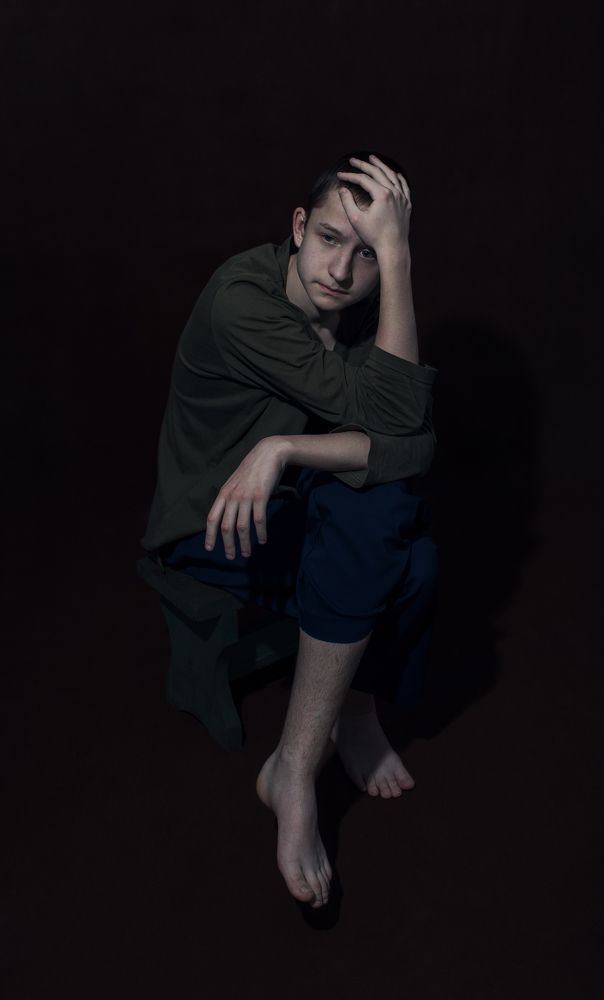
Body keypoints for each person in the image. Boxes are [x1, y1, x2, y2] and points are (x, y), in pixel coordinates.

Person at [141, 152, 439, 909]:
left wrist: (284, 447)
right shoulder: (244, 303)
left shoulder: (366, 306)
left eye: (369, 254)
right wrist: (319, 449)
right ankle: (304, 763)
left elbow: (412, 442)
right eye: (331, 238)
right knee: (401, 550)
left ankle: (324, 739)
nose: (341, 271)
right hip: (211, 521)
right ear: (299, 226)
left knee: (405, 541)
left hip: (287, 495)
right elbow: (398, 428)